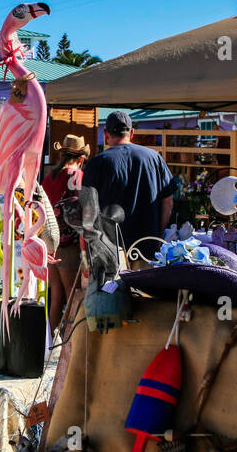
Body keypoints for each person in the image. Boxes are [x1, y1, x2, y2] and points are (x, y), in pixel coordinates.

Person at [80, 111, 175, 252]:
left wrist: (86, 250)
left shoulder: (97, 163)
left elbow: (87, 210)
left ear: (106, 134)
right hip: (147, 248)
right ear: (131, 133)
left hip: (109, 251)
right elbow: (168, 202)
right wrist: (158, 235)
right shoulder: (155, 158)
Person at [41, 134, 90, 330]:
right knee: (73, 295)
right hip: (71, 244)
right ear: (80, 159)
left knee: (56, 296)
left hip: (50, 242)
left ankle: (47, 340)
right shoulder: (79, 178)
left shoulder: (49, 177)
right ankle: (68, 344)